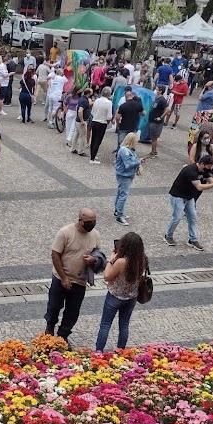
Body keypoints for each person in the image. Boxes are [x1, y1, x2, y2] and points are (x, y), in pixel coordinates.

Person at [44, 208, 101, 341]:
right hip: (60, 278)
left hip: (80, 281)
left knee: (72, 312)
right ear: (80, 220)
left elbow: (98, 254)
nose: (91, 224)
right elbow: (55, 254)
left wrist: (94, 260)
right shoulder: (65, 232)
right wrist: (63, 277)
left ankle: (63, 336)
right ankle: (49, 330)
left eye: (94, 222)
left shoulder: (95, 235)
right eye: (89, 222)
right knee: (54, 307)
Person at [95, 232, 147, 352]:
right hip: (131, 297)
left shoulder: (121, 262)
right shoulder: (143, 260)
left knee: (105, 325)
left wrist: (111, 260)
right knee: (124, 325)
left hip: (115, 297)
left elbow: (107, 276)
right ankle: (121, 351)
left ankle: (98, 351)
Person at [164, 155, 213, 251]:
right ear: (202, 164)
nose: (209, 169)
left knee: (192, 218)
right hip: (178, 196)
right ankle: (168, 235)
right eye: (208, 166)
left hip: (189, 197)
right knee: (177, 217)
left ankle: (192, 240)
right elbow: (199, 187)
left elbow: (211, 180)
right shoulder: (191, 171)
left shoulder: (204, 170)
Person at [114, 132, 143, 226]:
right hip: (124, 175)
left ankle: (117, 210)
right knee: (123, 195)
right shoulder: (124, 151)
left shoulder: (130, 150)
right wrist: (138, 162)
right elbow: (128, 165)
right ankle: (119, 215)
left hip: (127, 175)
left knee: (120, 193)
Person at [89, 87, 113, 164]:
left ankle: (92, 155)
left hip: (94, 120)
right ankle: (92, 159)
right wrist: (108, 122)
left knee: (93, 139)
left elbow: (92, 112)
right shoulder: (109, 103)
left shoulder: (97, 100)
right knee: (98, 140)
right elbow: (109, 116)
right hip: (102, 123)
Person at [147, 85, 169, 158]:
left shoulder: (162, 100)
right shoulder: (156, 98)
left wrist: (161, 117)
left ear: (160, 91)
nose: (155, 91)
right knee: (153, 138)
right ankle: (153, 151)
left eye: (157, 89)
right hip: (152, 120)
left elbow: (167, 110)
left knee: (154, 138)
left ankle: (154, 153)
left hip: (156, 123)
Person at [72, 88, 91, 156]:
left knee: (76, 134)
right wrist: (82, 120)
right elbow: (80, 110)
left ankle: (73, 148)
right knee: (82, 136)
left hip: (77, 120)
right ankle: (81, 151)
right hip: (81, 121)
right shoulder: (84, 101)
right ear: (88, 93)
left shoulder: (81, 98)